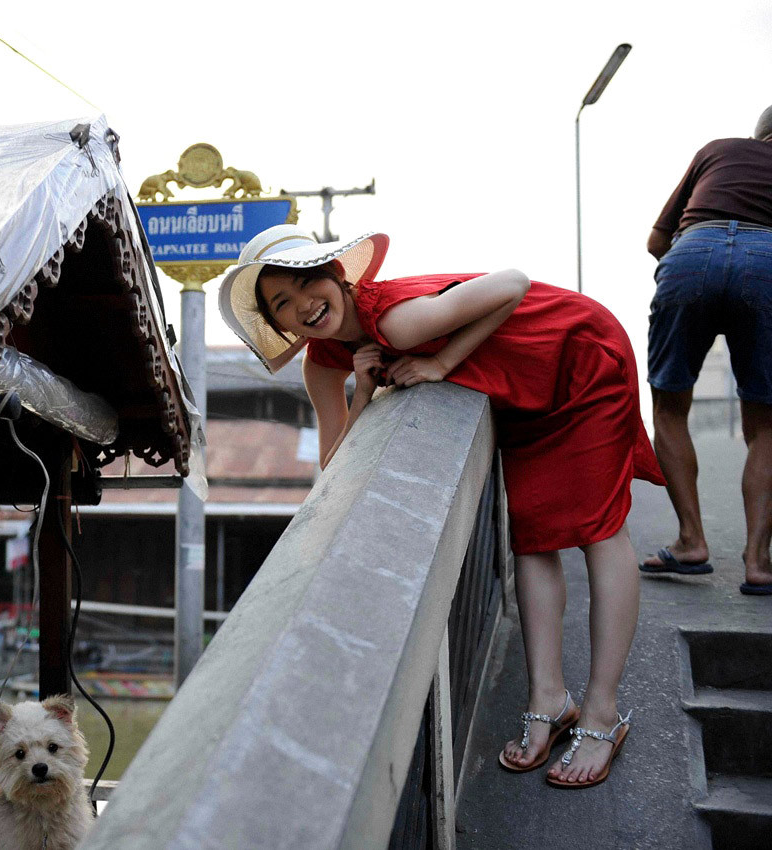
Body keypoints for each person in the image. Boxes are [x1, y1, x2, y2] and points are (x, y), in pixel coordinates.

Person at [218, 224, 666, 789]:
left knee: (600, 533)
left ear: (338, 276)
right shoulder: (322, 361)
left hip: (578, 354)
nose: (304, 305)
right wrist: (363, 393)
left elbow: (513, 283)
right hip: (522, 388)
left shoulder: (398, 319)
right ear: (277, 323)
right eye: (283, 302)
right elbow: (334, 465)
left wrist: (442, 363)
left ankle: (602, 713)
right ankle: (549, 699)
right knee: (533, 539)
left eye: (310, 283)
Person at [639, 105, 772, 596]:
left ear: (759, 137)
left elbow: (656, 240)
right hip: (770, 260)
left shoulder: (718, 149)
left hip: (694, 250)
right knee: (769, 425)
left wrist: (693, 263)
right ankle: (758, 563)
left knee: (670, 407)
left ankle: (692, 541)